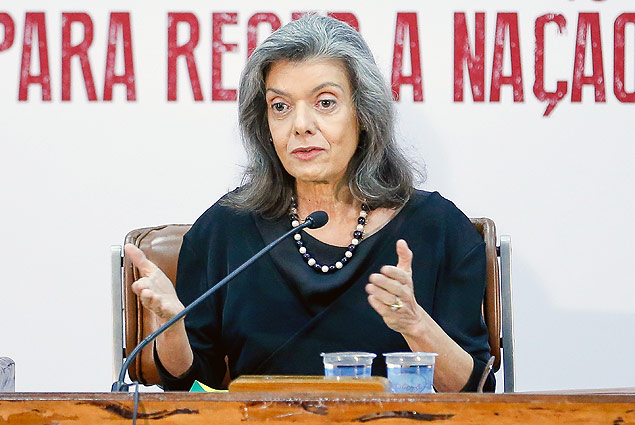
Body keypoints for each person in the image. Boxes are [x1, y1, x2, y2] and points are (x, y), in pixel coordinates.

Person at [126, 14, 495, 392]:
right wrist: (171, 327)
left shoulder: (437, 229)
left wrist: (415, 325)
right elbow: (187, 386)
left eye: (325, 102)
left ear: (363, 114)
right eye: (280, 106)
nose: (300, 125)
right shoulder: (226, 227)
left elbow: (476, 392)